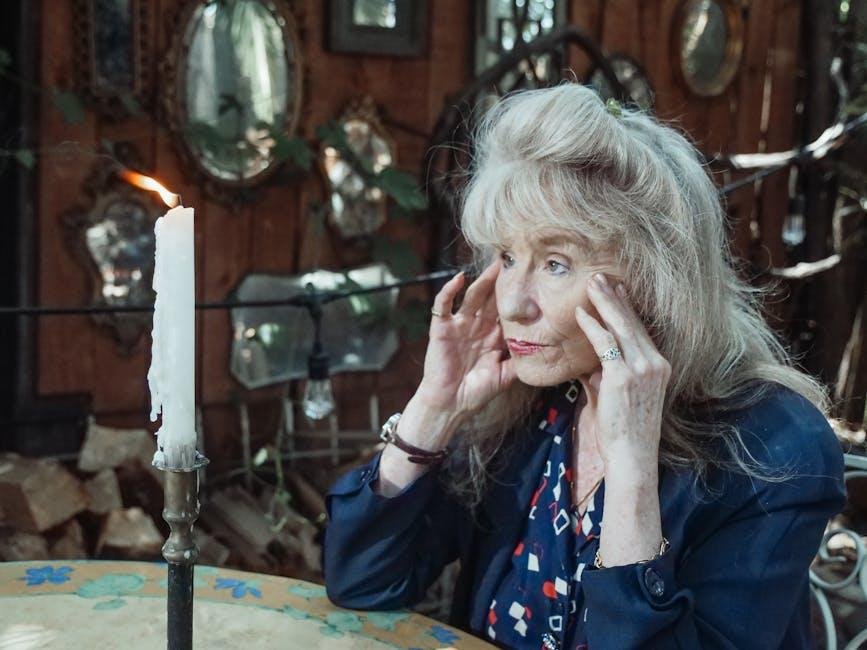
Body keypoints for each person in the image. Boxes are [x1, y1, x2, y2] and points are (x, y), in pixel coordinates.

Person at [321, 83, 847, 649]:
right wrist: (434, 408)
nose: (512, 303)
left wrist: (631, 469)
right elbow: (363, 581)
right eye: (507, 256)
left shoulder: (776, 449)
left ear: (654, 279)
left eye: (555, 263)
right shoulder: (531, 399)